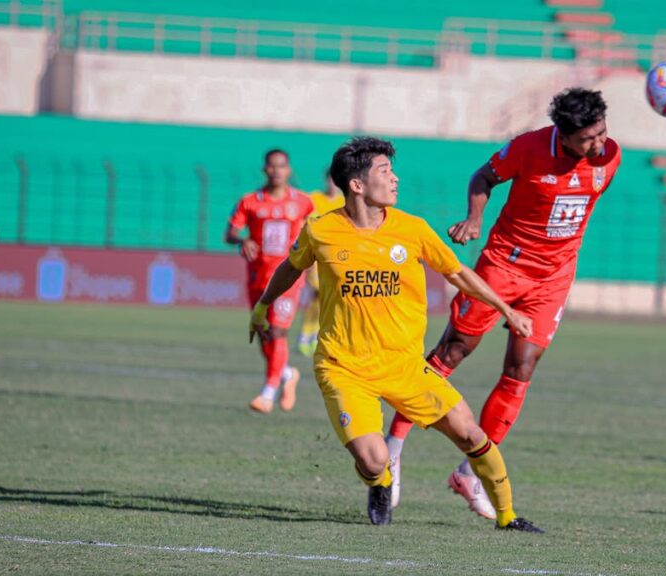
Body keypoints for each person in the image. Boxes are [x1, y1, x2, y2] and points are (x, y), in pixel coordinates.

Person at [249, 136, 542, 532]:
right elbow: (291, 266)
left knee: (470, 432)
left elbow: (458, 273)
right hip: (344, 367)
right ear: (356, 185)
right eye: (385, 172)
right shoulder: (321, 230)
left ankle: (508, 518)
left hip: (404, 366)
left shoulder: (413, 229)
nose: (395, 179)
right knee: (372, 460)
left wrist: (507, 309)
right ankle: (381, 482)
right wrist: (264, 306)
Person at [382, 87, 622, 518]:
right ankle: (392, 449)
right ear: (563, 134)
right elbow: (483, 177)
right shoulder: (529, 148)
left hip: (554, 279)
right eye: (588, 138)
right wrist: (475, 219)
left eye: (602, 132)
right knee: (452, 352)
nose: (598, 143)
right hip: (504, 266)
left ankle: (470, 473)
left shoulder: (609, 158)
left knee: (522, 367)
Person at [226, 149, 314, 414]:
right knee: (264, 333)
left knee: (277, 330)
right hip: (258, 277)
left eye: (282, 166)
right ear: (265, 170)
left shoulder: (302, 202)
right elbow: (230, 232)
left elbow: (314, 232)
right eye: (272, 166)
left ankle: (268, 391)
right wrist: (243, 240)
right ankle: (287, 374)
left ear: (289, 170)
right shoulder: (250, 201)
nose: (277, 171)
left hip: (289, 277)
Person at [296, 171, 345, 357]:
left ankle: (315, 335)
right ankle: (305, 336)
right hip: (316, 255)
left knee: (327, 299)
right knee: (317, 294)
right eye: (330, 180)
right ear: (326, 181)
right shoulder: (314, 198)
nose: (333, 184)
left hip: (336, 256)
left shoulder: (344, 201)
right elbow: (303, 222)